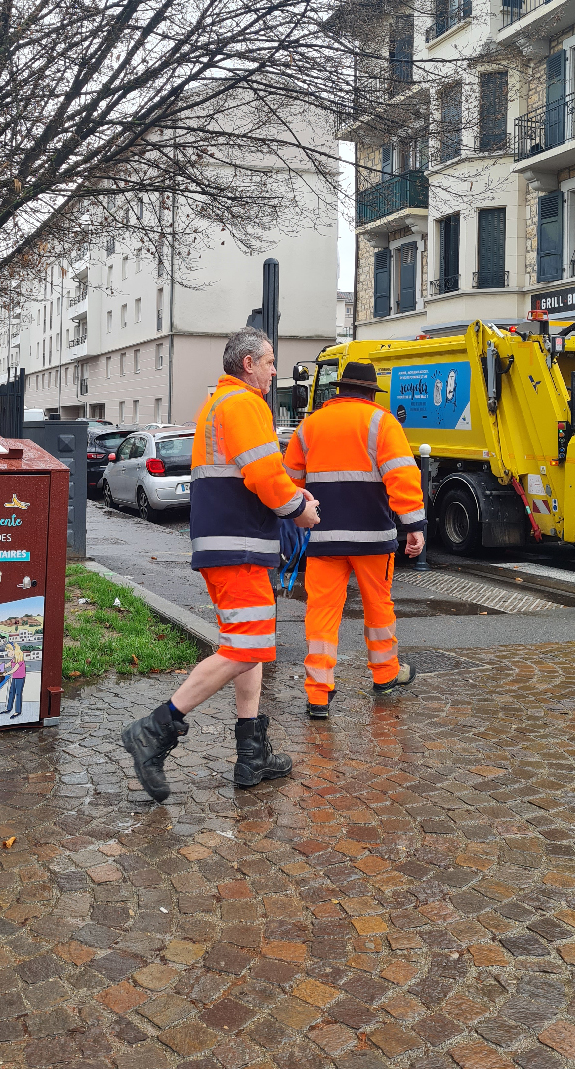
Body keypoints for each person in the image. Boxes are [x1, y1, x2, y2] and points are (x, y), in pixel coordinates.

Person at [121, 327, 320, 801]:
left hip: (226, 545)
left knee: (246, 645)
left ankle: (252, 753)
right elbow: (266, 475)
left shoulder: (216, 404)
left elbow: (247, 474)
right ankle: (155, 728)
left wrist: (292, 497)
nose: (275, 371)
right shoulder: (246, 405)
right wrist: (299, 509)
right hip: (241, 547)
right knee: (245, 649)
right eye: (270, 362)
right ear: (249, 364)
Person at [283, 361, 426, 717]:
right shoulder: (381, 423)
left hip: (323, 539)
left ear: (340, 391)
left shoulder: (309, 425)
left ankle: (318, 693)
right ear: (369, 393)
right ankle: (385, 675)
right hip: (373, 539)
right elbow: (403, 478)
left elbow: (288, 483)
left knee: (321, 615)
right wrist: (415, 526)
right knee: (378, 608)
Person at [0, 642, 26, 718]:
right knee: (11, 692)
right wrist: (0, 666)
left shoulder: (20, 660)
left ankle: (17, 711)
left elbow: (14, 669)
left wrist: (6, 673)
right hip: (15, 678)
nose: (8, 653)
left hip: (20, 678)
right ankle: (8, 708)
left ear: (14, 650)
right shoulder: (13, 659)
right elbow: (6, 665)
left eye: (9, 651)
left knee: (18, 694)